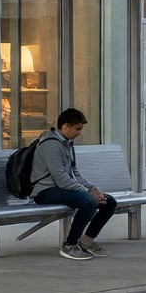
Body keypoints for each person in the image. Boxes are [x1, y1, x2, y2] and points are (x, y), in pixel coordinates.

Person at [30, 107, 116, 261]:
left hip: (62, 188)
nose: (80, 133)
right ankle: (69, 245)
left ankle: (86, 242)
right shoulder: (51, 144)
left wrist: (93, 189)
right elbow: (61, 178)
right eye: (78, 129)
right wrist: (88, 193)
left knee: (108, 201)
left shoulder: (66, 143)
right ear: (65, 126)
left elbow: (74, 172)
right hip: (45, 191)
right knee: (88, 201)